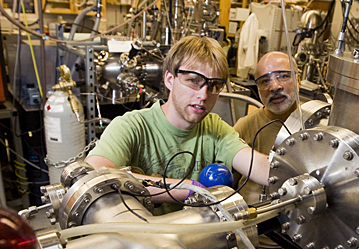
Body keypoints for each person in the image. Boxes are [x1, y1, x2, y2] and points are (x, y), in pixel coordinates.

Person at [85, 36, 271, 213]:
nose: (204, 95)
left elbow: (258, 166)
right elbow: (94, 175)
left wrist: (294, 170)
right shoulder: (132, 126)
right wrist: (187, 189)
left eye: (214, 85)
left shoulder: (214, 128)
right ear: (169, 79)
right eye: (193, 80)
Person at [233, 51, 300, 204]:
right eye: (264, 81)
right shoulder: (245, 126)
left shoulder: (316, 125)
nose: (274, 87)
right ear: (257, 89)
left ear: (298, 79)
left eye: (283, 76)